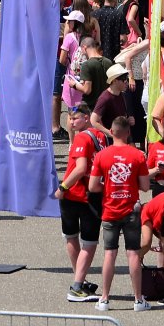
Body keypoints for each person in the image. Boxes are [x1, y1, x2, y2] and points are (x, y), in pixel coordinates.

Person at [90, 112, 150, 312]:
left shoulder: (101, 155)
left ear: (112, 132)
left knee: (109, 253)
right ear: (127, 132)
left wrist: (108, 185)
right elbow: (145, 186)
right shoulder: (138, 155)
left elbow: (92, 186)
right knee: (133, 253)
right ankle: (138, 299)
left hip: (110, 208)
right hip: (131, 207)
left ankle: (105, 298)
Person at [55, 106, 105, 300]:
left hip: (76, 194)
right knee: (76, 238)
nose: (71, 122)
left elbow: (80, 168)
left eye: (75, 118)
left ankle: (77, 286)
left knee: (82, 240)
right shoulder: (100, 136)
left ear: (86, 118)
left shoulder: (82, 138)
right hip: (90, 194)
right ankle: (80, 280)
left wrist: (63, 188)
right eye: (69, 119)